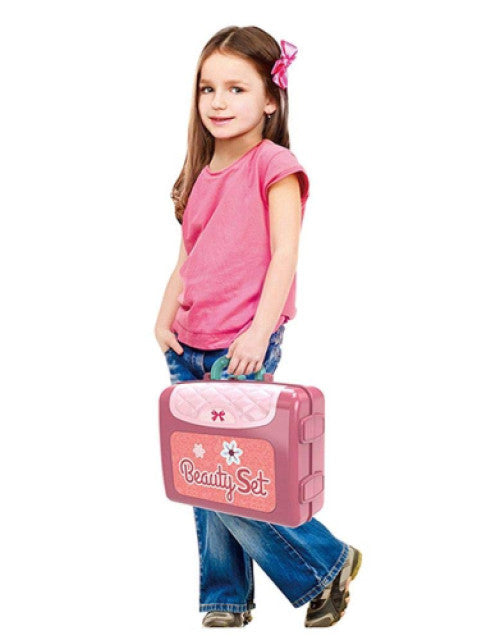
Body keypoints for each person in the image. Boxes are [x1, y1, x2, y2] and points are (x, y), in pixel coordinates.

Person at [154, 25, 362, 628]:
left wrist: (257, 332)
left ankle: (325, 560)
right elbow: (188, 258)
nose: (218, 102)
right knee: (202, 476)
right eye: (208, 88)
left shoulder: (274, 165)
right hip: (187, 344)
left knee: (235, 476)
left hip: (240, 345)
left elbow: (285, 255)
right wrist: (163, 317)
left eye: (237, 88)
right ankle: (225, 596)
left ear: (270, 99)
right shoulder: (200, 174)